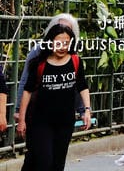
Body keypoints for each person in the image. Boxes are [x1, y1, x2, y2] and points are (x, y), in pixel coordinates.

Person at [16, 23, 91, 171]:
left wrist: (87, 110)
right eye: (58, 42)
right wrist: (22, 119)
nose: (62, 46)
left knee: (58, 164)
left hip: (65, 122)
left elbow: (82, 86)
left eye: (66, 43)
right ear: (50, 42)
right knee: (44, 162)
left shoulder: (75, 61)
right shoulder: (38, 64)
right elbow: (27, 91)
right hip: (41, 122)